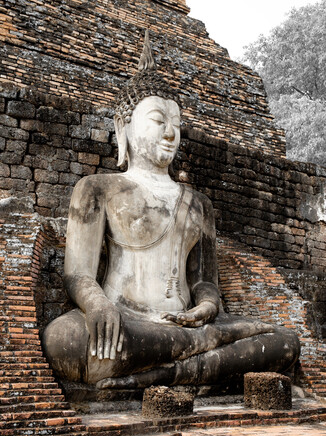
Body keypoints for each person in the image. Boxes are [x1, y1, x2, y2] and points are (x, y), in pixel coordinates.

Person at [43, 32, 300, 389]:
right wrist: (99, 307)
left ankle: (165, 373)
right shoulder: (97, 188)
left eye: (176, 125)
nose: (170, 134)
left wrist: (207, 307)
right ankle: (199, 364)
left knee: (284, 342)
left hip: (187, 325)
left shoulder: (199, 204)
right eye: (158, 121)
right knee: (63, 340)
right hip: (128, 320)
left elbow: (204, 282)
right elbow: (78, 274)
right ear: (125, 128)